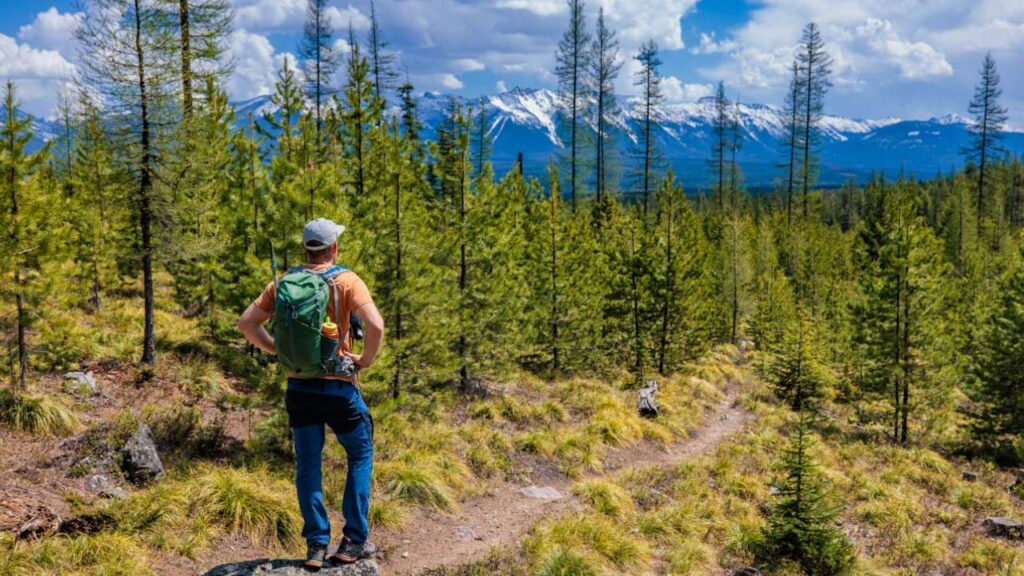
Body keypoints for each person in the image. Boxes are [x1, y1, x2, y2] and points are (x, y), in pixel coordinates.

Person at [237, 218, 384, 568]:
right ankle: (352, 542)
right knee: (360, 454)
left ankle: (316, 546)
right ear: (333, 248)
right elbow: (376, 325)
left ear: (307, 248)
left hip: (299, 388)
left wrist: (277, 350)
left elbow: (246, 323)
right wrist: (363, 360)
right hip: (339, 389)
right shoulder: (346, 280)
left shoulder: (284, 282)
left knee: (308, 465)